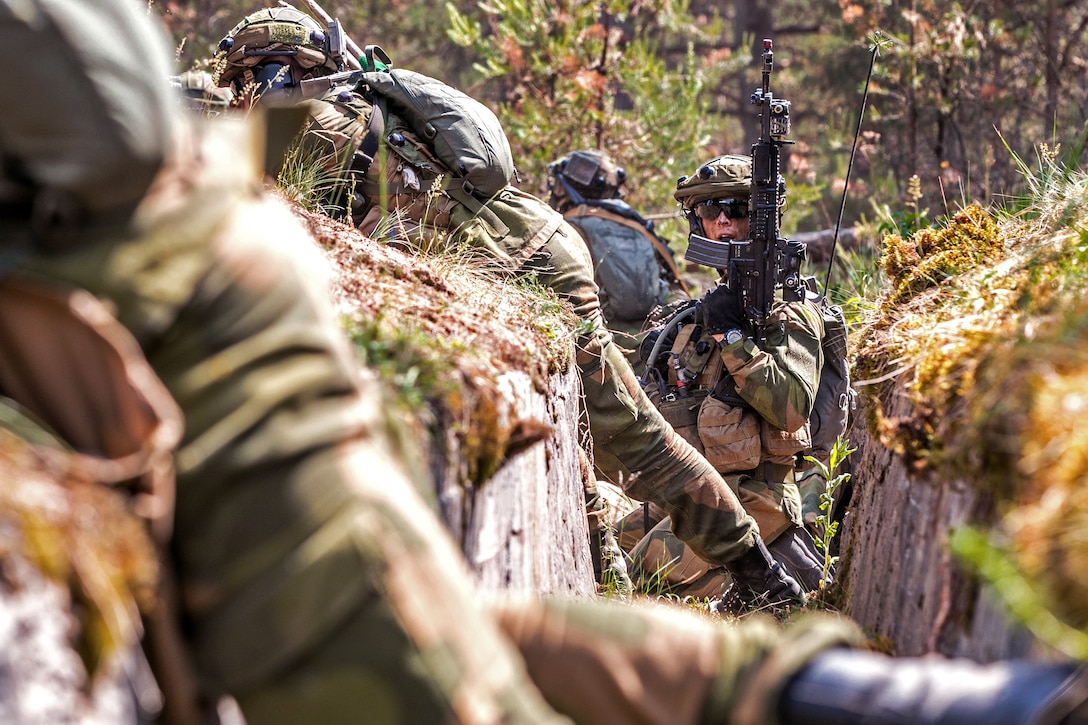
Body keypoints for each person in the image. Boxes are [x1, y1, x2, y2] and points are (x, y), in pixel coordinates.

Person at [2, 3, 1087, 724]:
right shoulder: (366, 123)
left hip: (470, 292)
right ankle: (800, 650)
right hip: (487, 281)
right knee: (557, 526)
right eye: (703, 208)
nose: (708, 221)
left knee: (415, 606)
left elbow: (758, 402)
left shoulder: (298, 131)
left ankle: (782, 623)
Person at [213, 5, 818, 611]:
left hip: (525, 264)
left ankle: (760, 572)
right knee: (578, 438)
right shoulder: (355, 106)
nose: (239, 98)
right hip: (530, 246)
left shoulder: (315, 125)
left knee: (634, 436)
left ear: (269, 71)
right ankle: (608, 583)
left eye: (242, 81)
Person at [624, 154, 831, 601]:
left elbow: (792, 407)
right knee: (599, 536)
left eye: (737, 209)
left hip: (754, 504)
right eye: (709, 209)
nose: (722, 220)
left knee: (632, 574)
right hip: (691, 497)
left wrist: (733, 337)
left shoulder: (788, 312)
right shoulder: (699, 312)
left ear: (760, 220)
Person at [546, 149, 690, 371]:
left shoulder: (568, 228)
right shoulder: (638, 226)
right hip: (657, 350)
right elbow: (672, 289)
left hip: (606, 356)